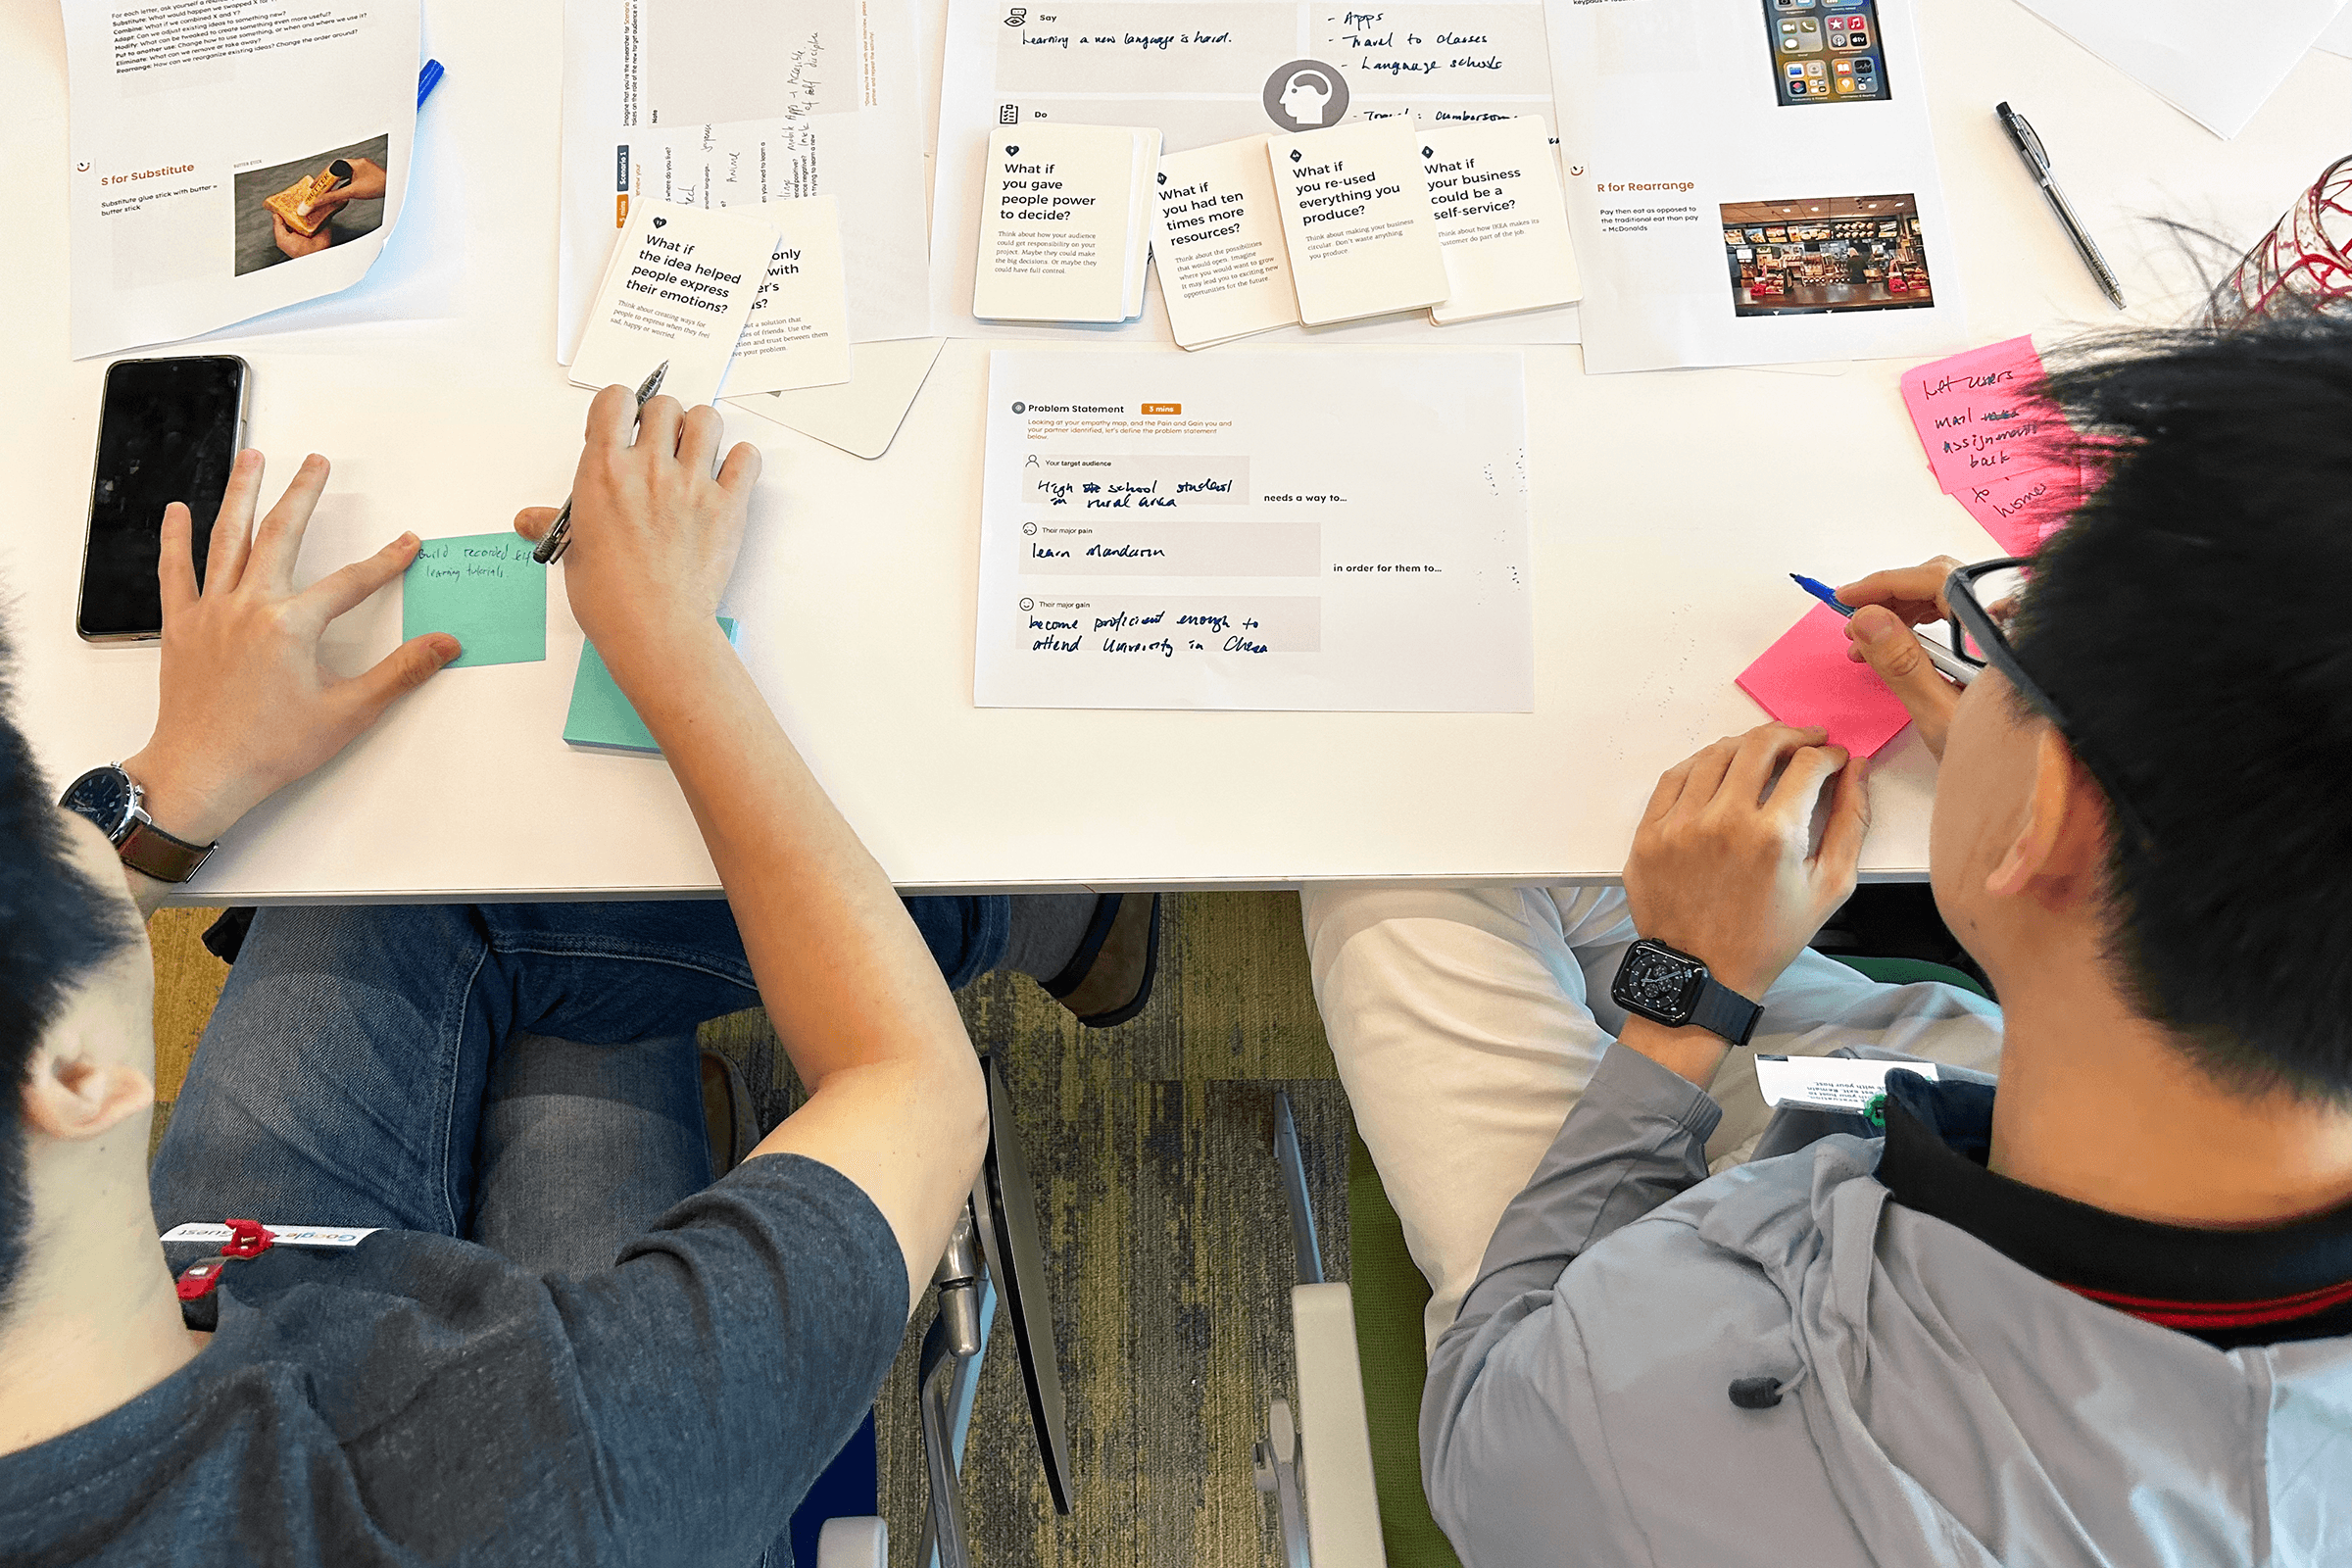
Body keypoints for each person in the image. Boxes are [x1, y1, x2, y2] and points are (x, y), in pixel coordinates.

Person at [0, 391, 1156, 1563]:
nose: (76, 835)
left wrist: (164, 792)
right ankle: (1039, 912)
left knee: (432, 881)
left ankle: (1044, 927)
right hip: (502, 1452)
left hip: (203, 1290)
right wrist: (662, 637)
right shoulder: (522, 1473)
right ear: (78, 1075)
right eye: (51, 844)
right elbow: (915, 1089)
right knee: (572, 1033)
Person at [1304, 313, 2352, 1564]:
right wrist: (2078, 759)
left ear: (2049, 818)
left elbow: (1488, 1422)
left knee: (1400, 879)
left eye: (2005, 641)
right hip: (2023, 1133)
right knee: (1598, 883)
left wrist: (1685, 998)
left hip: (1681, 1343)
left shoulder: (1660, 1412)